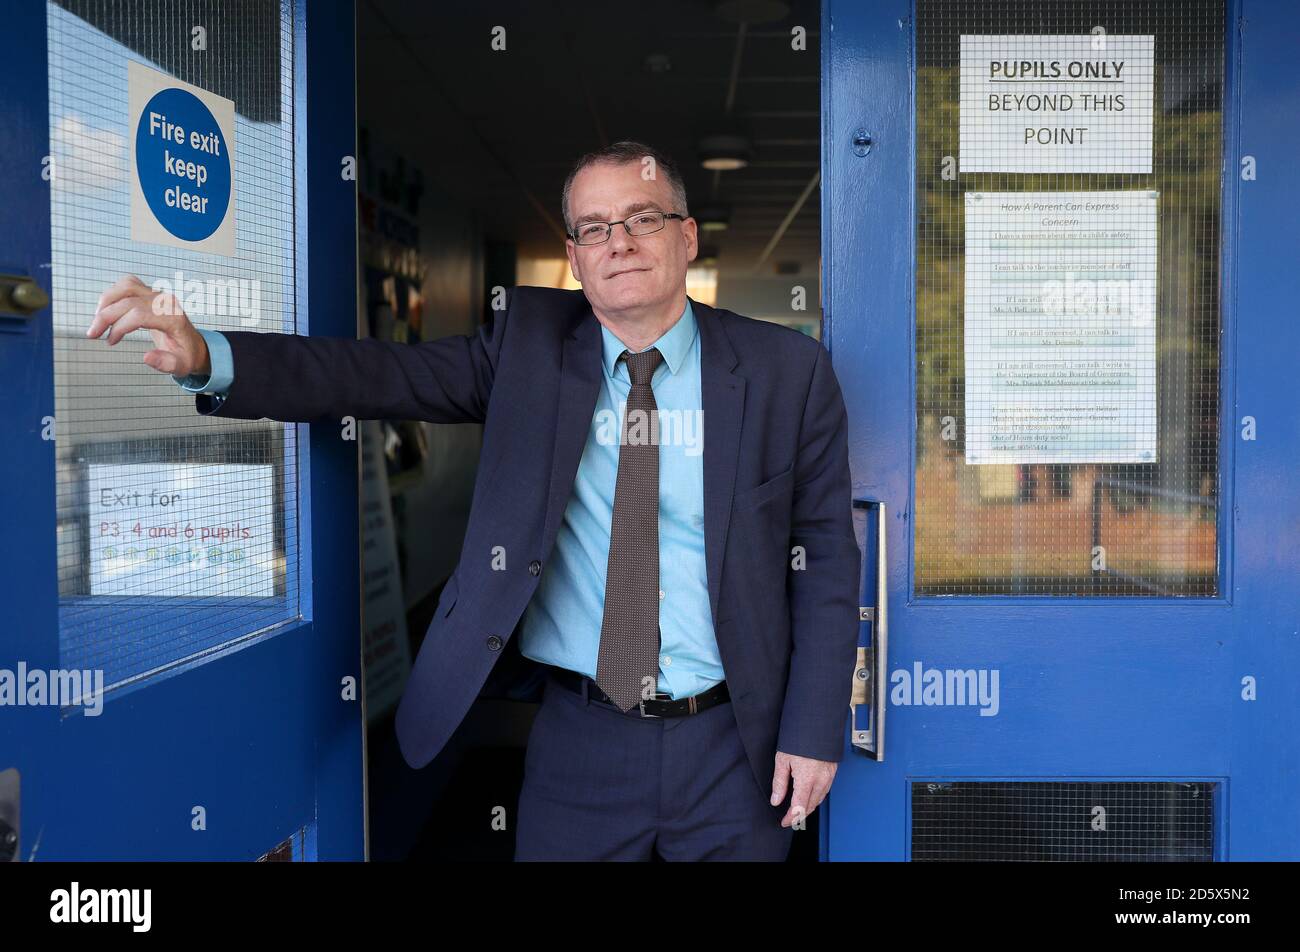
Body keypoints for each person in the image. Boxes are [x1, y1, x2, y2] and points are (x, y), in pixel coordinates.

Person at [88, 141, 861, 861]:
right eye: (594, 228)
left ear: (687, 238)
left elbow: (825, 562)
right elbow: (372, 376)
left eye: (641, 219)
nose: (618, 241)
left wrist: (813, 728)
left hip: (733, 740)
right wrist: (209, 355)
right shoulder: (527, 349)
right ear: (574, 258)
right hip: (578, 741)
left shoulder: (785, 373)